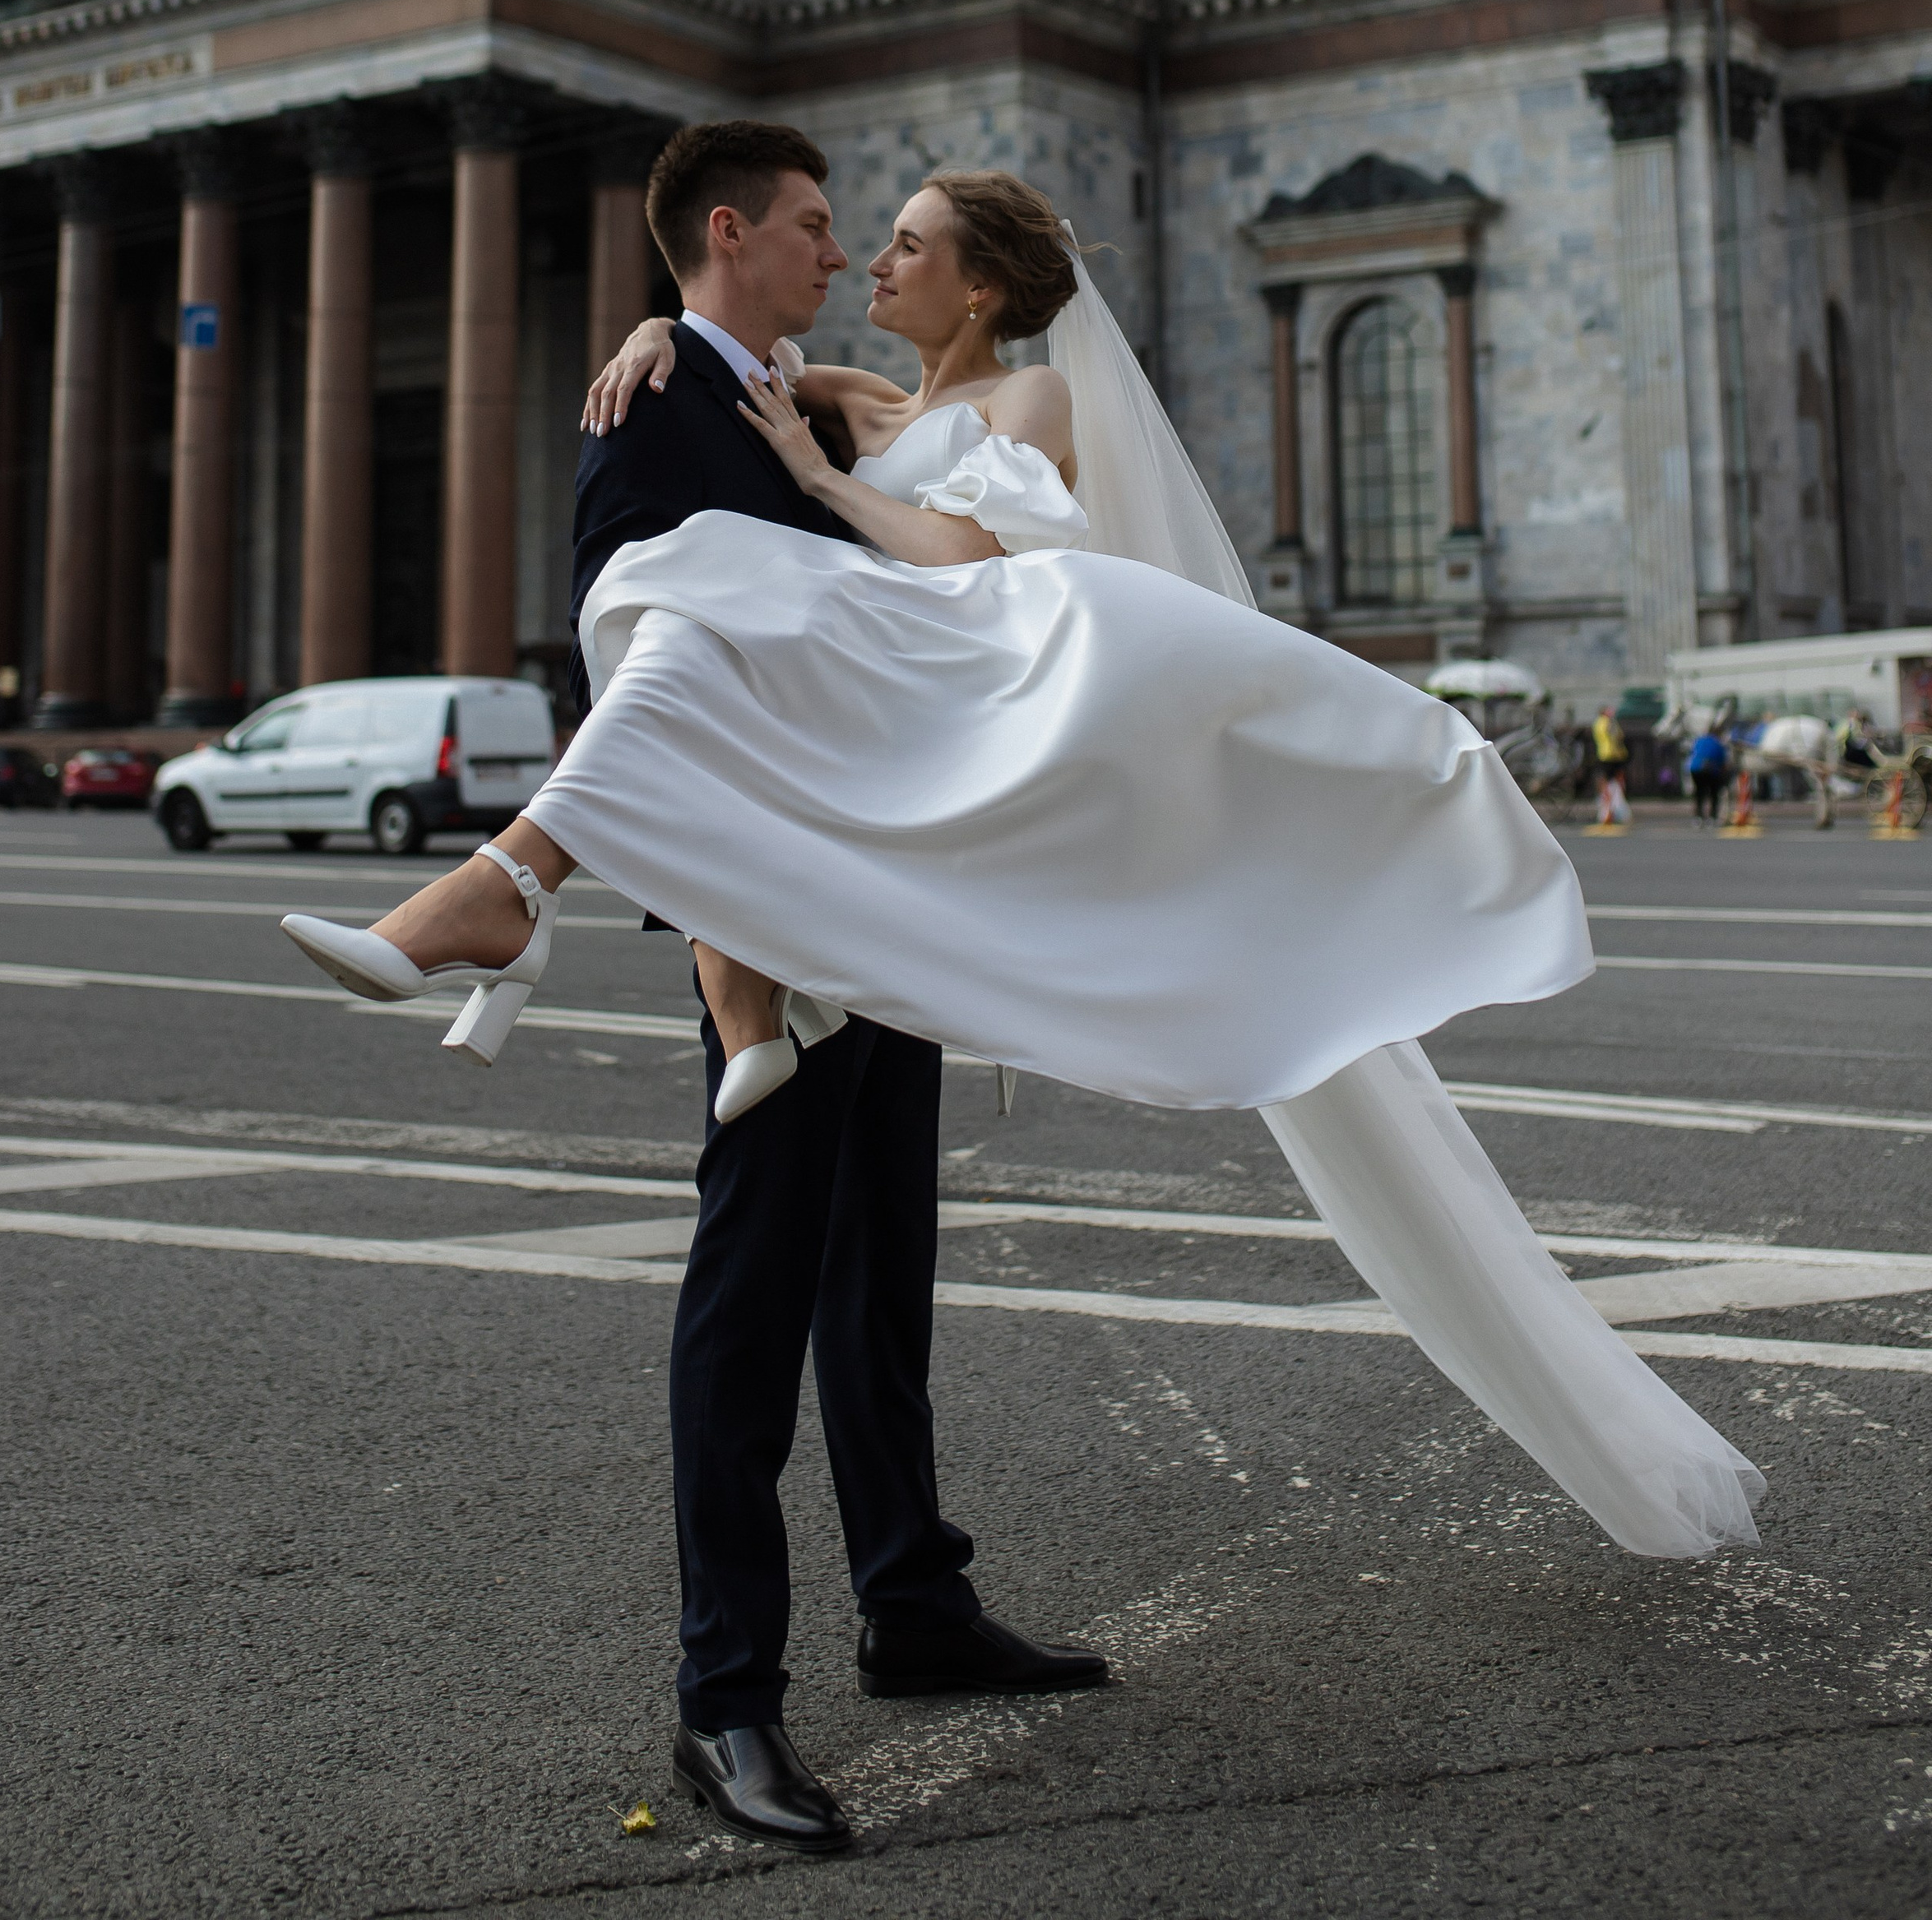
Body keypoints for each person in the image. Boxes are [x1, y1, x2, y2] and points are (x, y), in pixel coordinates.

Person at [285, 141, 1764, 1851]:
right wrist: (668, 347)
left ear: (968, 284)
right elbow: (630, 611)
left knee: (878, 1273)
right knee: (753, 1285)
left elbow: (923, 504)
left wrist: (794, 425)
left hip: (922, 883)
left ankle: (910, 1600)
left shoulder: (843, 403)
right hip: (787, 893)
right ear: (726, 233)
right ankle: (727, 1697)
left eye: (886, 238)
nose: (851, 257)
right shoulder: (677, 387)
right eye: (829, 228)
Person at [1591, 701, 1632, 828]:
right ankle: (1608, 812)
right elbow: (1616, 737)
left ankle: (1611, 811)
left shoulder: (1601, 723)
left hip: (1611, 756)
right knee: (1611, 784)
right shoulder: (1607, 723)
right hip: (1610, 756)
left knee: (1613, 784)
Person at [1687, 721, 1729, 826]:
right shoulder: (1718, 743)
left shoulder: (1699, 740)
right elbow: (1722, 761)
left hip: (1695, 769)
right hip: (1711, 770)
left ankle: (1698, 818)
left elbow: (1692, 753)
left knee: (1699, 794)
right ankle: (1712, 817)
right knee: (1714, 794)